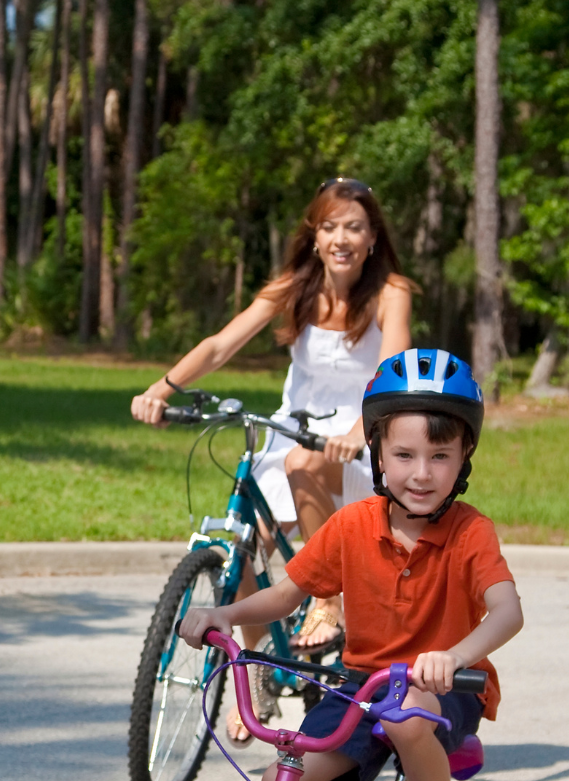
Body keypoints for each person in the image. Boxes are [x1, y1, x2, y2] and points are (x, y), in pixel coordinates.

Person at [178, 349, 524, 781]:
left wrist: (456, 657)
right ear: (378, 455)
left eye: (440, 456)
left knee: (409, 711)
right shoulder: (353, 525)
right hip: (363, 685)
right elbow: (288, 593)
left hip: (446, 689)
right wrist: (226, 614)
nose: (421, 473)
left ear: (464, 459)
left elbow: (507, 610)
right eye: (404, 454)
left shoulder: (469, 532)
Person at [130, 178, 415, 732]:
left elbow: (395, 363)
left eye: (354, 227)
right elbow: (220, 344)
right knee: (242, 543)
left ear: (373, 237)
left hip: (358, 439)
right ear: (313, 237)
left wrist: (363, 426)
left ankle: (327, 599)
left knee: (303, 465)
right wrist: (162, 389)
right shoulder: (294, 287)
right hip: (293, 430)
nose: (341, 238)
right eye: (329, 226)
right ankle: (255, 670)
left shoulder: (390, 291)